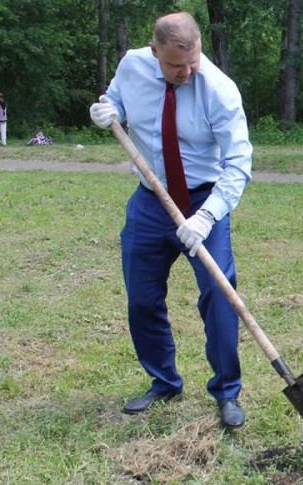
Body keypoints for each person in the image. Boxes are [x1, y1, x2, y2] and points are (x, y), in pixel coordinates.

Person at [88, 12, 252, 428]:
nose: (186, 71)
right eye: (175, 65)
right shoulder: (132, 65)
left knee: (219, 296)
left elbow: (238, 165)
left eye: (192, 60)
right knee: (142, 297)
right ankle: (163, 382)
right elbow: (117, 101)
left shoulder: (218, 89)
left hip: (204, 200)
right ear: (154, 49)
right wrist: (108, 111)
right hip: (150, 199)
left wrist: (206, 218)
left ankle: (227, 392)